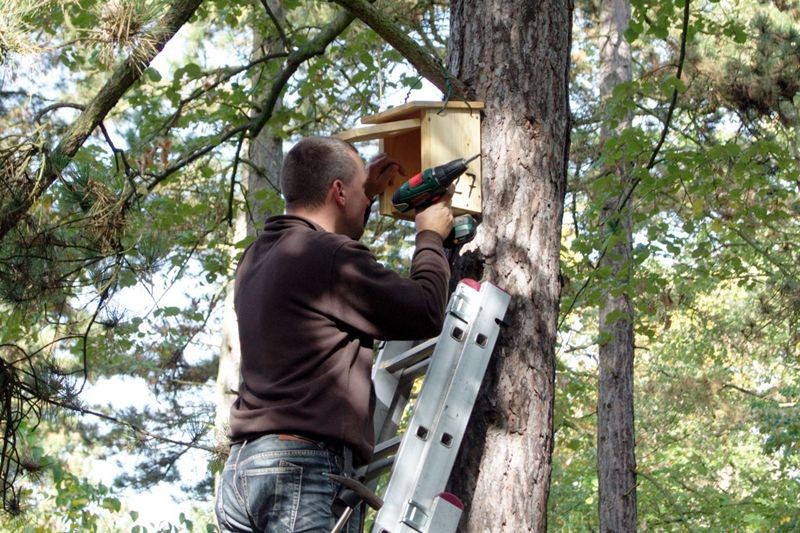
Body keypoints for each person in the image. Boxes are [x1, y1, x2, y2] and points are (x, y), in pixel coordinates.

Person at [215, 136, 454, 532]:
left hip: (243, 472)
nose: (369, 200)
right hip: (300, 471)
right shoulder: (328, 258)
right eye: (363, 193)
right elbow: (426, 311)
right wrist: (429, 235)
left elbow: (327, 263)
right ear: (338, 192)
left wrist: (366, 191)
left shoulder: (258, 256)